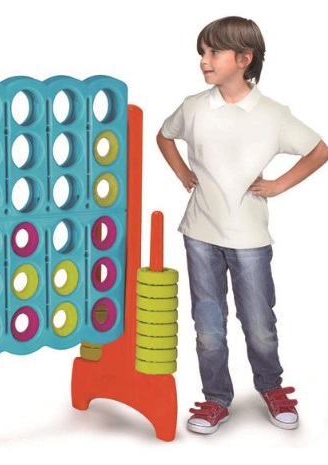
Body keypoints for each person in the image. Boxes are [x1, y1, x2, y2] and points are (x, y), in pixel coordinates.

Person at [156, 16, 328, 434]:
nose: (204, 60)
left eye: (214, 52)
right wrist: (183, 174)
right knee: (208, 326)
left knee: (258, 322)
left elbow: (319, 150)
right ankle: (216, 398)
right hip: (199, 234)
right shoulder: (194, 107)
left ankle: (271, 386)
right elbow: (164, 136)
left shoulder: (272, 115)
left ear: (244, 58)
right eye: (202, 52)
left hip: (249, 238)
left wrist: (278, 185)